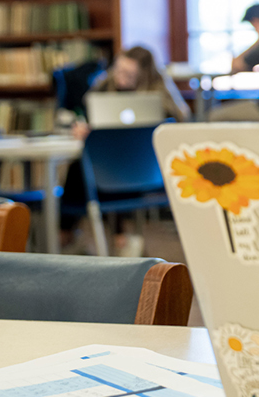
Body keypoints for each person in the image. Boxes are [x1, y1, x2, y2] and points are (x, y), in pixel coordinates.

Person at [64, 45, 190, 255]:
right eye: (119, 71)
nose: (121, 78)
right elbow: (87, 117)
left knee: (93, 169)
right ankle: (118, 237)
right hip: (111, 168)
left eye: (129, 74)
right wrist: (87, 130)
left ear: (143, 75)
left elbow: (175, 130)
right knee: (90, 166)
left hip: (147, 170)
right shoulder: (103, 87)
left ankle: (69, 233)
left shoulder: (161, 99)